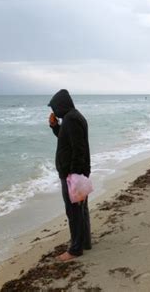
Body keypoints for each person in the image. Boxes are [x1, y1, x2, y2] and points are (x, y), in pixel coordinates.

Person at [48, 89, 91, 261]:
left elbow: (78, 149)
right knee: (81, 209)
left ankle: (75, 249)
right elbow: (66, 139)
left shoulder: (71, 119)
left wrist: (73, 175)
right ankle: (84, 242)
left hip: (72, 174)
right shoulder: (72, 117)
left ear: (61, 105)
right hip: (77, 172)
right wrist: (55, 127)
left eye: (55, 108)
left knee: (73, 211)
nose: (54, 112)